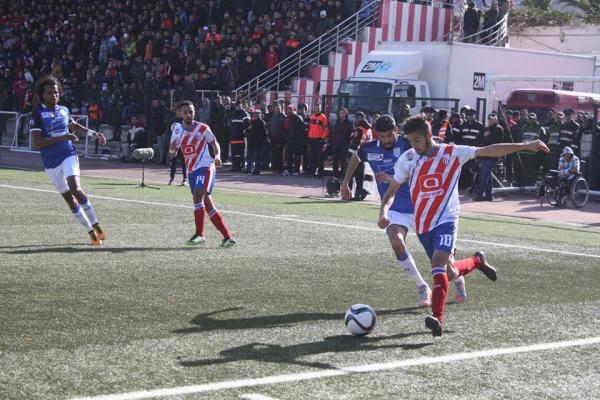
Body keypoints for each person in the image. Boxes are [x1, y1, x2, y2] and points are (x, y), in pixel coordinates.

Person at [378, 115, 549, 337]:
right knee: (449, 273)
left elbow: (490, 149)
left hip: (447, 220)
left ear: (430, 136)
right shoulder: (408, 159)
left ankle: (436, 319)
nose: (414, 145)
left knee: (437, 266)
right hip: (423, 225)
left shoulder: (452, 152)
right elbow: (392, 190)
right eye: (410, 141)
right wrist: (383, 211)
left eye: (417, 140)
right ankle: (477, 261)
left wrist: (525, 146)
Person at [341, 115, 432, 307]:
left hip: (422, 205)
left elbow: (422, 175)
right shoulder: (369, 148)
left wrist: (391, 179)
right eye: (381, 137)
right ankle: (423, 287)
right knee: (397, 242)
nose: (386, 140)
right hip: (396, 208)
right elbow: (355, 158)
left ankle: (459, 274)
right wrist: (345, 183)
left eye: (389, 135)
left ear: (396, 131)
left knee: (443, 262)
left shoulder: (410, 144)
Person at [30, 75, 107, 245]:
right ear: (43, 95)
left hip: (68, 154)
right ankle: (90, 231)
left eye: (56, 92)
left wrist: (93, 134)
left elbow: (74, 125)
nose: (54, 95)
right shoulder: (37, 114)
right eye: (50, 93)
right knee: (69, 199)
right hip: (51, 163)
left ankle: (96, 225)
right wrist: (63, 136)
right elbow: (37, 142)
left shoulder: (64, 110)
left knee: (75, 188)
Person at [169, 100, 235, 247]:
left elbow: (214, 142)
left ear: (195, 112)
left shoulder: (202, 128)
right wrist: (172, 149)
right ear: (180, 113)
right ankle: (228, 237)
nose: (188, 114)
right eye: (185, 111)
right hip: (191, 170)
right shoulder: (177, 130)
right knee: (208, 205)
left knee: (198, 195)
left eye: (191, 111)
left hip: (206, 166)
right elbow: (172, 152)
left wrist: (217, 156)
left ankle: (200, 234)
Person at [474, 114, 503, 201]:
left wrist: (486, 137)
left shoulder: (499, 129)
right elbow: (478, 139)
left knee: (484, 175)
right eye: (489, 119)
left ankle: (480, 195)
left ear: (496, 120)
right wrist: (485, 137)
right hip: (485, 154)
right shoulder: (486, 129)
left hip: (493, 155)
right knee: (487, 175)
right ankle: (488, 195)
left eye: (492, 119)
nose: (490, 121)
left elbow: (496, 141)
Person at [168, 103, 188, 186]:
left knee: (184, 162)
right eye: (177, 110)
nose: (179, 112)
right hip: (175, 143)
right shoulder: (173, 119)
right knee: (173, 162)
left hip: (183, 144)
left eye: (180, 110)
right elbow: (172, 130)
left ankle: (185, 179)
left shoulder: (186, 119)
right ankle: (172, 179)